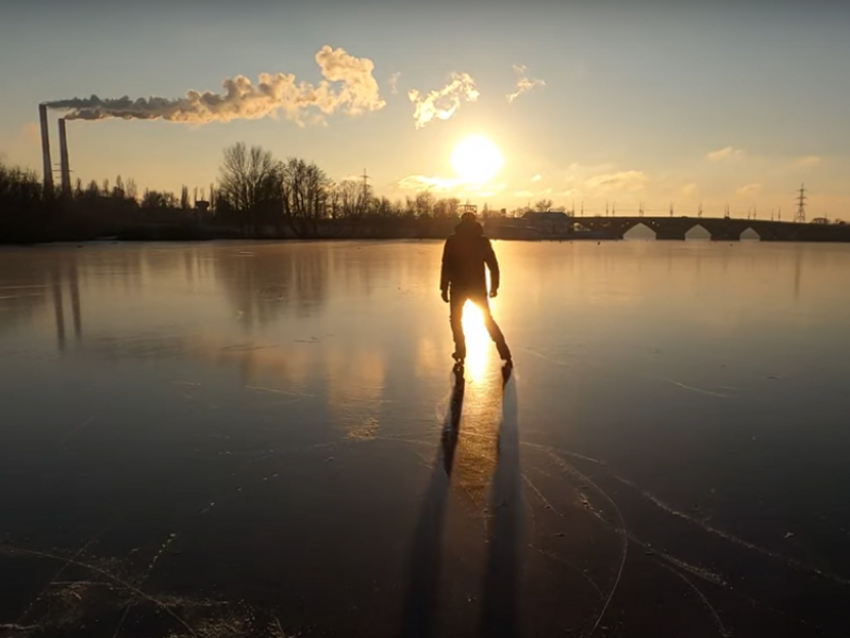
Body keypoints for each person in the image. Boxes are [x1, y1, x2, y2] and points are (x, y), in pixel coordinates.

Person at [440, 212, 512, 366]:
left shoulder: (453, 240)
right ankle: (503, 351)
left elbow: (446, 265)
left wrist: (443, 288)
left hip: (458, 286)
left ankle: (460, 350)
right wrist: (494, 286)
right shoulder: (482, 241)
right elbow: (493, 265)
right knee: (486, 318)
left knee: (455, 320)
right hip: (476, 286)